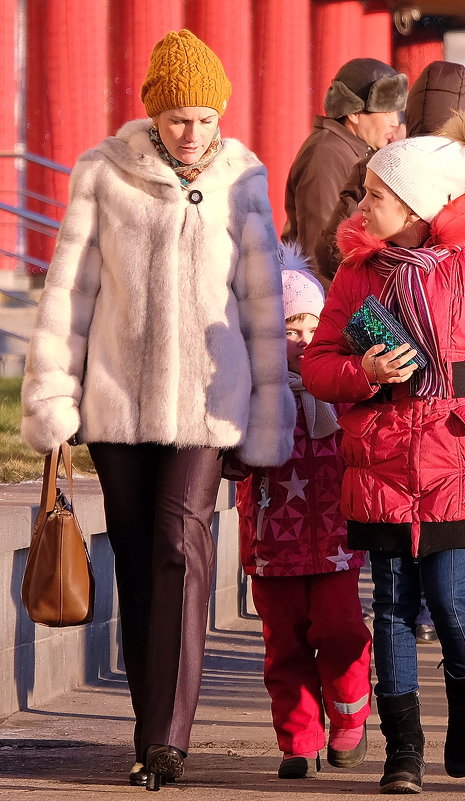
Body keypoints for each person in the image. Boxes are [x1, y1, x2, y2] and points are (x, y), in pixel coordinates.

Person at [19, 30, 295, 790]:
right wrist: (53, 393)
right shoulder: (101, 173)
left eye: (206, 118)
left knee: (182, 542)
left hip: (208, 405)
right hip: (117, 404)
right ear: (152, 111)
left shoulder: (243, 177)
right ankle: (147, 730)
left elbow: (261, 302)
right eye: (179, 117)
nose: (193, 132)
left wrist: (272, 407)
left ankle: (169, 739)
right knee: (137, 560)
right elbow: (68, 293)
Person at [303, 102, 465, 794]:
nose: (362, 205)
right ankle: (403, 750)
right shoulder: (356, 276)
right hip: (380, 463)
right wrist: (365, 373)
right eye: (365, 194)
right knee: (390, 606)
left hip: (458, 462)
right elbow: (318, 363)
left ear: (417, 207)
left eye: (377, 196)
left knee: (449, 600)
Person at [230, 249, 372, 780]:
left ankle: (351, 716)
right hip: (272, 541)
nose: (307, 337)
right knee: (283, 645)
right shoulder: (253, 397)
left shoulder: (344, 394)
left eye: (316, 324)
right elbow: (233, 458)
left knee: (341, 631)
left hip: (336, 539)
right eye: (292, 325)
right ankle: (298, 740)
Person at [314, 59, 465, 284]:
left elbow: (331, 251)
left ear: (413, 109)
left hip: (383, 306)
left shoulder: (380, 165)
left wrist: (377, 281)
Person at [283, 57, 407, 287]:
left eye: (397, 112)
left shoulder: (352, 150)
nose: (394, 122)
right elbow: (317, 252)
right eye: (387, 111)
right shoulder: (326, 154)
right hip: (325, 302)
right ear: (354, 113)